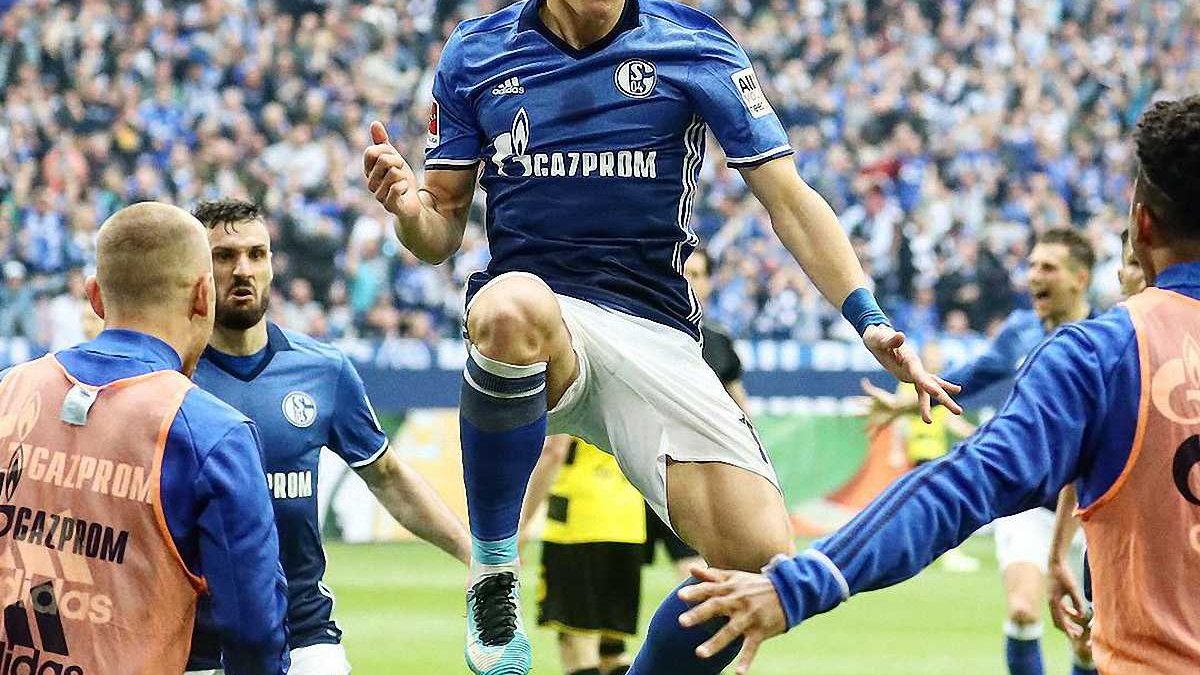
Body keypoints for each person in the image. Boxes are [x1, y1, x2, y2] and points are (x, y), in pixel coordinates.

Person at [362, 2, 959, 674]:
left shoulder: (693, 44)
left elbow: (788, 198)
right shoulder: (477, 50)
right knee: (507, 307)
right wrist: (409, 210)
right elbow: (439, 229)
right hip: (546, 323)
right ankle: (494, 572)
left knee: (760, 569)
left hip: (655, 332)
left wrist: (868, 317)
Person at [677, 95, 1200, 675]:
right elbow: (967, 386)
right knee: (1032, 613)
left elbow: (961, 485)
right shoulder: (1051, 342)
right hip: (1064, 517)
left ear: (1141, 224)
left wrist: (800, 583)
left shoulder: (1102, 355)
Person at [183, 198, 471, 675]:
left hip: (305, 636)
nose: (243, 270)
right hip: (196, 647)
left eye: (256, 254)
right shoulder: (172, 374)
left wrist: (473, 555)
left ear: (272, 264)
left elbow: (387, 476)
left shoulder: (323, 370)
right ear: (196, 269)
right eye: (224, 256)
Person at [0, 202, 288, 674]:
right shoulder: (212, 433)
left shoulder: (9, 391)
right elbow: (254, 633)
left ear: (96, 297)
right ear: (203, 296)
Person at [863, 227, 1098, 675]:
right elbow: (969, 376)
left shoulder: (1106, 335)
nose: (1034, 275)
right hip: (1031, 498)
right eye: (1031, 265)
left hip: (1089, 503)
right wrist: (903, 404)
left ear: (1080, 278)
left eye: (1048, 267)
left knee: (1088, 640)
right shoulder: (1022, 330)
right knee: (1024, 610)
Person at [1046, 227, 1147, 671]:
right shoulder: (1106, 356)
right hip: (1116, 551)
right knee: (1099, 653)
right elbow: (1082, 458)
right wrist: (1057, 554)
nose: (1145, 273)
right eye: (1134, 263)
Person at [643, 248, 743, 579]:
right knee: (614, 591)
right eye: (683, 273)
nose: (689, 282)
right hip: (629, 476)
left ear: (710, 283)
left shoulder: (718, 342)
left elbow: (739, 408)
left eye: (697, 275)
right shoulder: (640, 333)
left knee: (698, 574)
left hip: (687, 476)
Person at [520, 435, 646, 675]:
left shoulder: (572, 406)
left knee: (577, 644)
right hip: (629, 522)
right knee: (612, 648)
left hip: (578, 523)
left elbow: (554, 450)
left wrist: (523, 523)